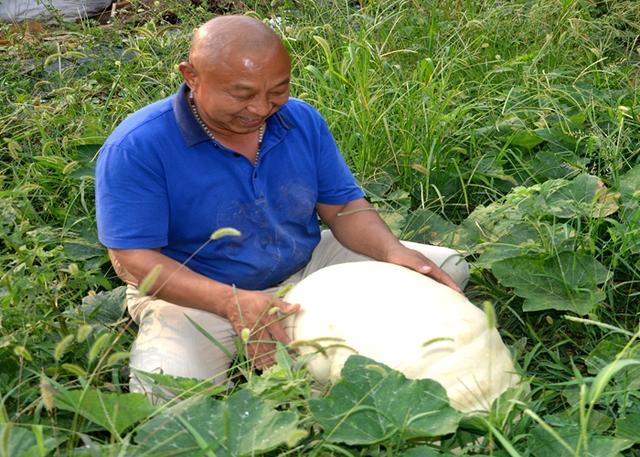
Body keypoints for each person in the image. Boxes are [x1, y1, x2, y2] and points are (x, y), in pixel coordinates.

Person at [95, 15, 469, 395]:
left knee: (443, 271)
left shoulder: (301, 121)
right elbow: (132, 258)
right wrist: (231, 302)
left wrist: (393, 252)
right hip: (195, 293)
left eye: (277, 91)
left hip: (305, 267)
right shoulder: (138, 145)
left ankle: (300, 334)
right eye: (241, 94)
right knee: (167, 392)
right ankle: (278, 339)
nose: (260, 108)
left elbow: (342, 209)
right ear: (191, 76)